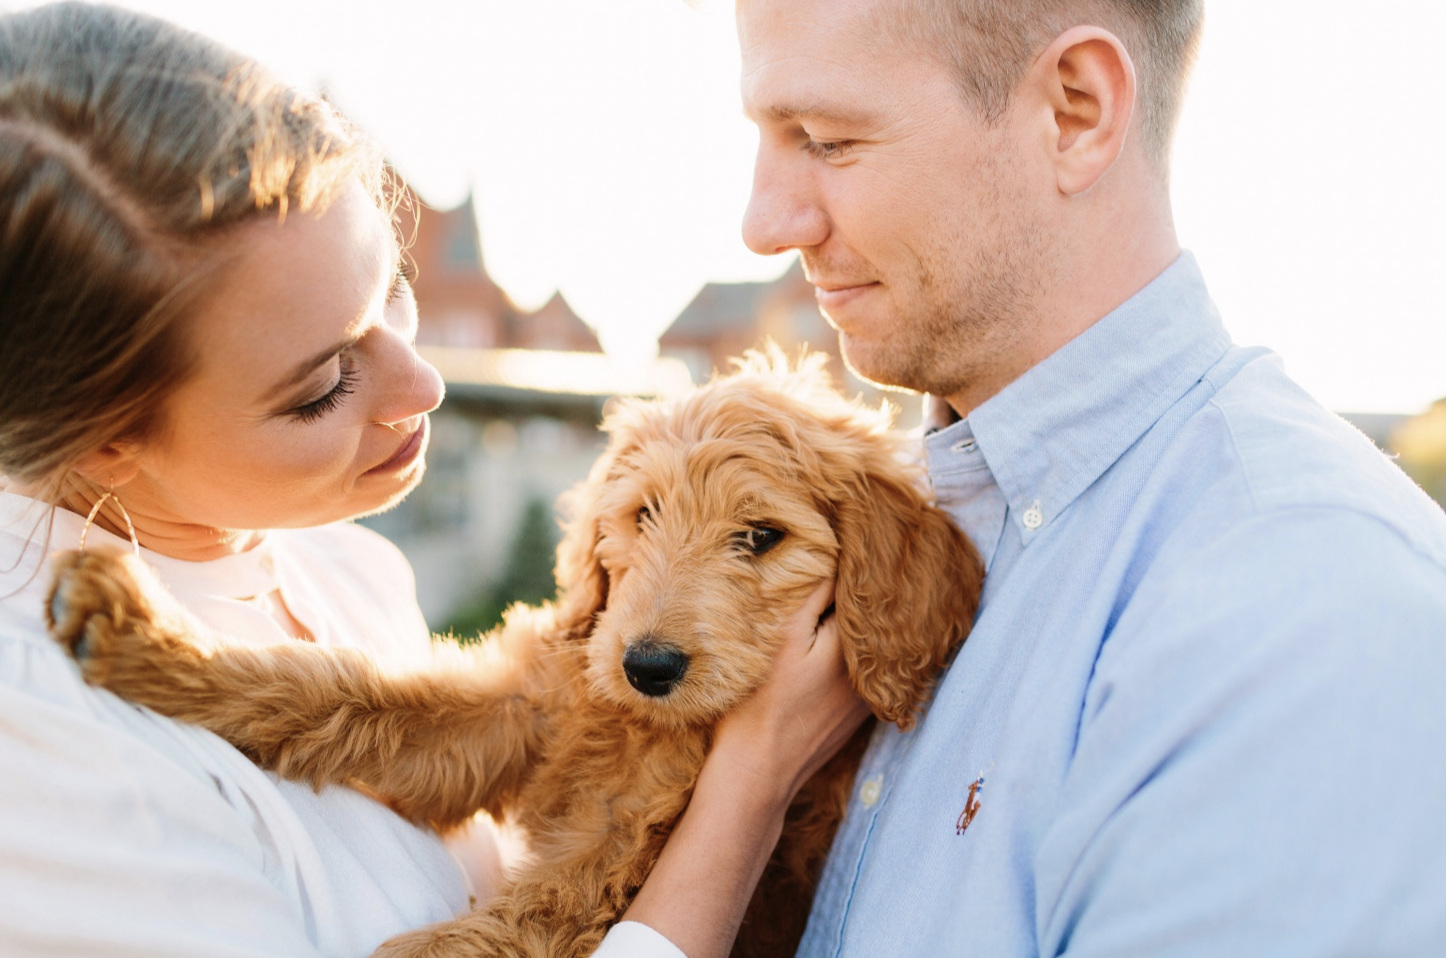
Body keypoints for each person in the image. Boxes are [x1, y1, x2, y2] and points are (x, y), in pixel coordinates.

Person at [0, 4, 864, 956]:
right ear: (110, 441)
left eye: (395, 291)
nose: (424, 383)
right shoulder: (39, 749)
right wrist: (750, 787)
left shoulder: (340, 563)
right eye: (323, 387)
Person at [607, 0, 1446, 954]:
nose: (765, 223)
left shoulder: (1302, 612)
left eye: (828, 140)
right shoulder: (861, 540)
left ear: (1076, 110)